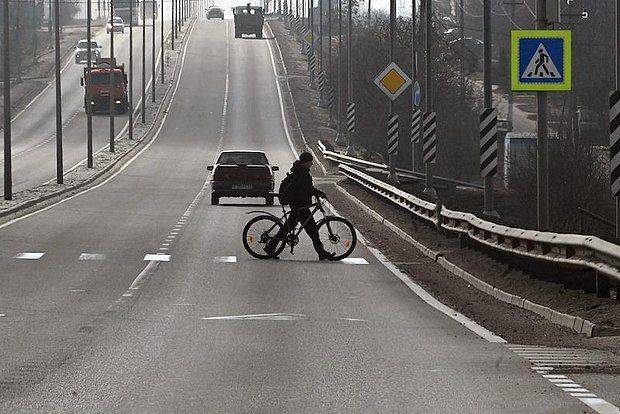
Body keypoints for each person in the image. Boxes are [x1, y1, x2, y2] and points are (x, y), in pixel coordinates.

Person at [264, 152, 335, 261]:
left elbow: (306, 188)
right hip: (299, 206)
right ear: (306, 162)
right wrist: (318, 192)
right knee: (311, 230)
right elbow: (305, 189)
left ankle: (321, 252)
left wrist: (316, 192)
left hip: (299, 205)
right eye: (310, 161)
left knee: (303, 229)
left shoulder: (300, 171)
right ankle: (321, 253)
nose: (312, 163)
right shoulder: (302, 173)